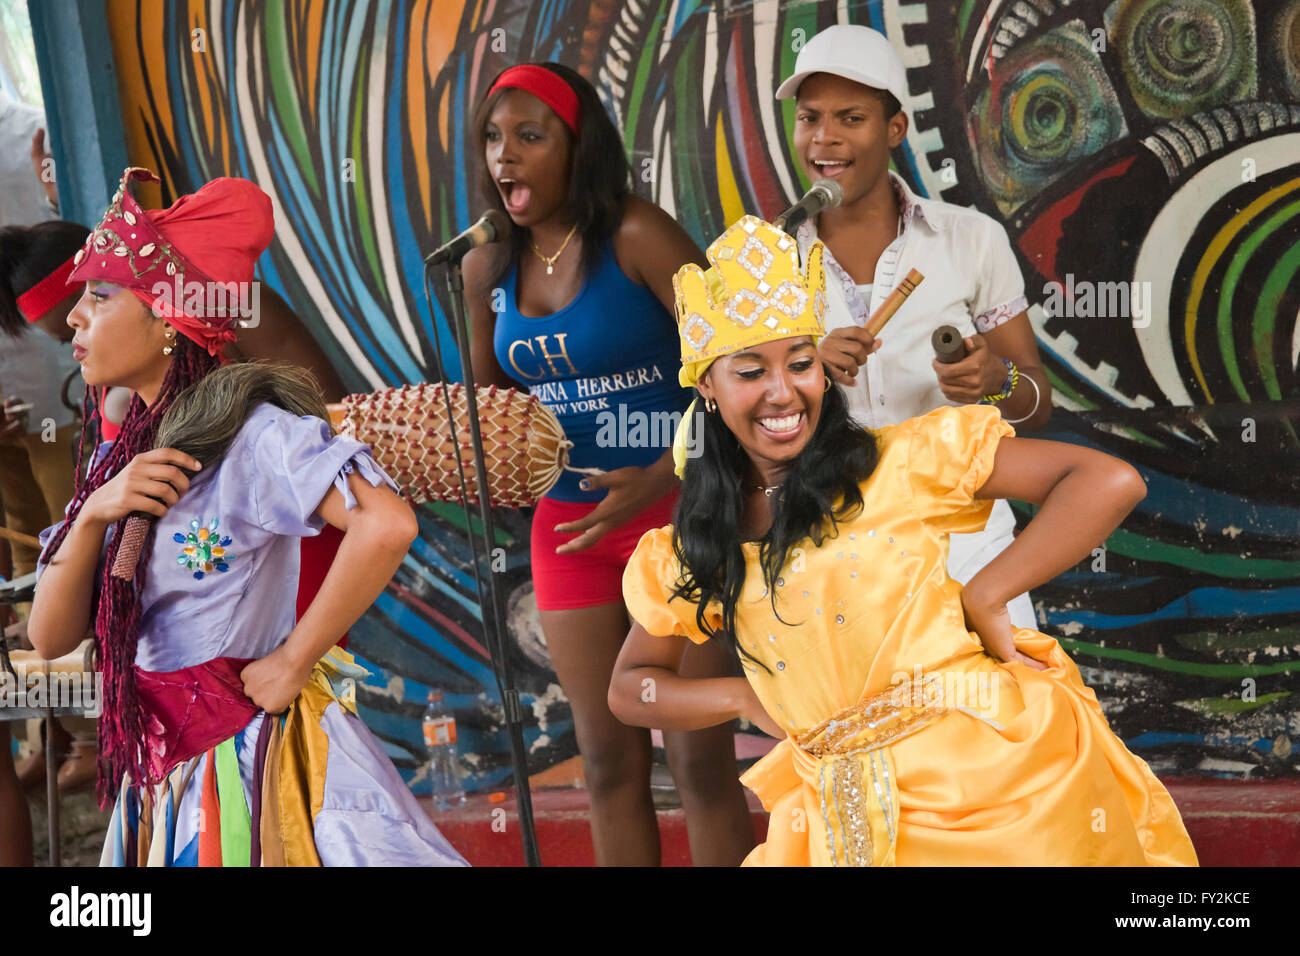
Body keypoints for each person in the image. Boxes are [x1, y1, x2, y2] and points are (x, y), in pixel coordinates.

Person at [608, 216, 1198, 866]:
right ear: (707, 389)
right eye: (751, 372)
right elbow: (631, 688)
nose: (784, 393)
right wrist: (743, 697)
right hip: (839, 822)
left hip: (983, 796)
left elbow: (1106, 480)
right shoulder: (703, 540)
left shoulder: (900, 461)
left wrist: (988, 593)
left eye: (802, 364)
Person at [27, 168, 466, 866]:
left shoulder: (252, 434)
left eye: (101, 297)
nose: (75, 316)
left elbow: (387, 525)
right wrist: (90, 519)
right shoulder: (118, 460)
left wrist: (295, 660)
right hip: (162, 778)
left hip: (247, 766)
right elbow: (48, 637)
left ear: (169, 318)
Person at [464, 62, 753, 865]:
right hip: (571, 529)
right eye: (494, 139)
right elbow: (493, 416)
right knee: (607, 762)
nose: (506, 157)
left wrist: (665, 474)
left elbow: (741, 369)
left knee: (698, 757)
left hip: (682, 513)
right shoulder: (488, 266)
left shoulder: (635, 234)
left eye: (530, 136)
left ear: (577, 144)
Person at [776, 23, 1049, 629]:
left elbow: (1036, 403)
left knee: (998, 718)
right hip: (828, 551)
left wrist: (995, 379)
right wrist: (802, 371)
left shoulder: (969, 241)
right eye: (810, 117)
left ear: (895, 129)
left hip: (969, 549)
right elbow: (730, 417)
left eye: (851, 118)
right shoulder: (768, 262)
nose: (825, 139)